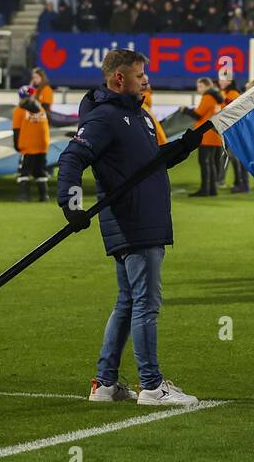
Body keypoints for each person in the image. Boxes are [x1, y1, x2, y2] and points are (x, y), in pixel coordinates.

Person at [55, 48, 198, 406]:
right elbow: (72, 157)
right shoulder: (105, 118)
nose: (146, 80)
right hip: (134, 223)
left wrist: (183, 147)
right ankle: (152, 386)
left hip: (143, 220)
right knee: (146, 304)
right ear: (119, 79)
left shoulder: (140, 117)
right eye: (139, 75)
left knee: (128, 303)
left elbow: (149, 164)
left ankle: (105, 384)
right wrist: (71, 203)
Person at [183, 77, 225, 197]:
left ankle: (205, 189)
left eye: (200, 86)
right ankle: (212, 189)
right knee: (210, 163)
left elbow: (197, 115)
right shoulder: (218, 98)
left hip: (206, 135)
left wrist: (185, 110)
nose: (198, 89)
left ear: (207, 86)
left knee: (204, 162)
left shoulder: (208, 97)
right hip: (215, 134)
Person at [12, 86, 51, 202]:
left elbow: (16, 130)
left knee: (24, 171)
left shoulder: (19, 111)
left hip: (28, 146)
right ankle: (44, 196)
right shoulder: (41, 110)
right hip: (42, 146)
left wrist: (17, 146)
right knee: (40, 171)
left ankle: (24, 196)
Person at [217, 73, 249, 193]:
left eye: (222, 80)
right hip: (230, 131)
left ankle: (241, 184)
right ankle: (237, 183)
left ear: (229, 81)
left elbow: (234, 114)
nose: (220, 82)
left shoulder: (233, 94)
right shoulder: (226, 93)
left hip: (234, 132)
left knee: (236, 158)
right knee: (231, 157)